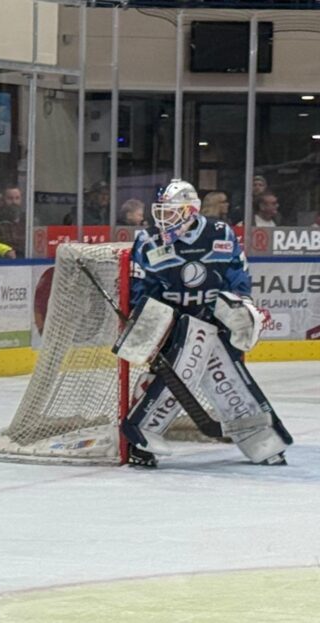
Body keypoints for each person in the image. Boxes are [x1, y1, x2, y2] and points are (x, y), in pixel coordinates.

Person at [120, 179, 291, 469]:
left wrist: (241, 306)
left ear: (190, 210)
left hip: (215, 322)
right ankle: (141, 443)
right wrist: (151, 326)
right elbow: (141, 290)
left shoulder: (220, 233)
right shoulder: (148, 241)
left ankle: (263, 439)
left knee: (230, 382)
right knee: (168, 382)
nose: (163, 219)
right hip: (174, 327)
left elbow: (238, 277)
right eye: (161, 211)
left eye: (171, 212)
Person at [0, 185, 25, 256]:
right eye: (10, 198)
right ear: (2, 200)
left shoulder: (28, 221)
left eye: (17, 198)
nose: (14, 202)